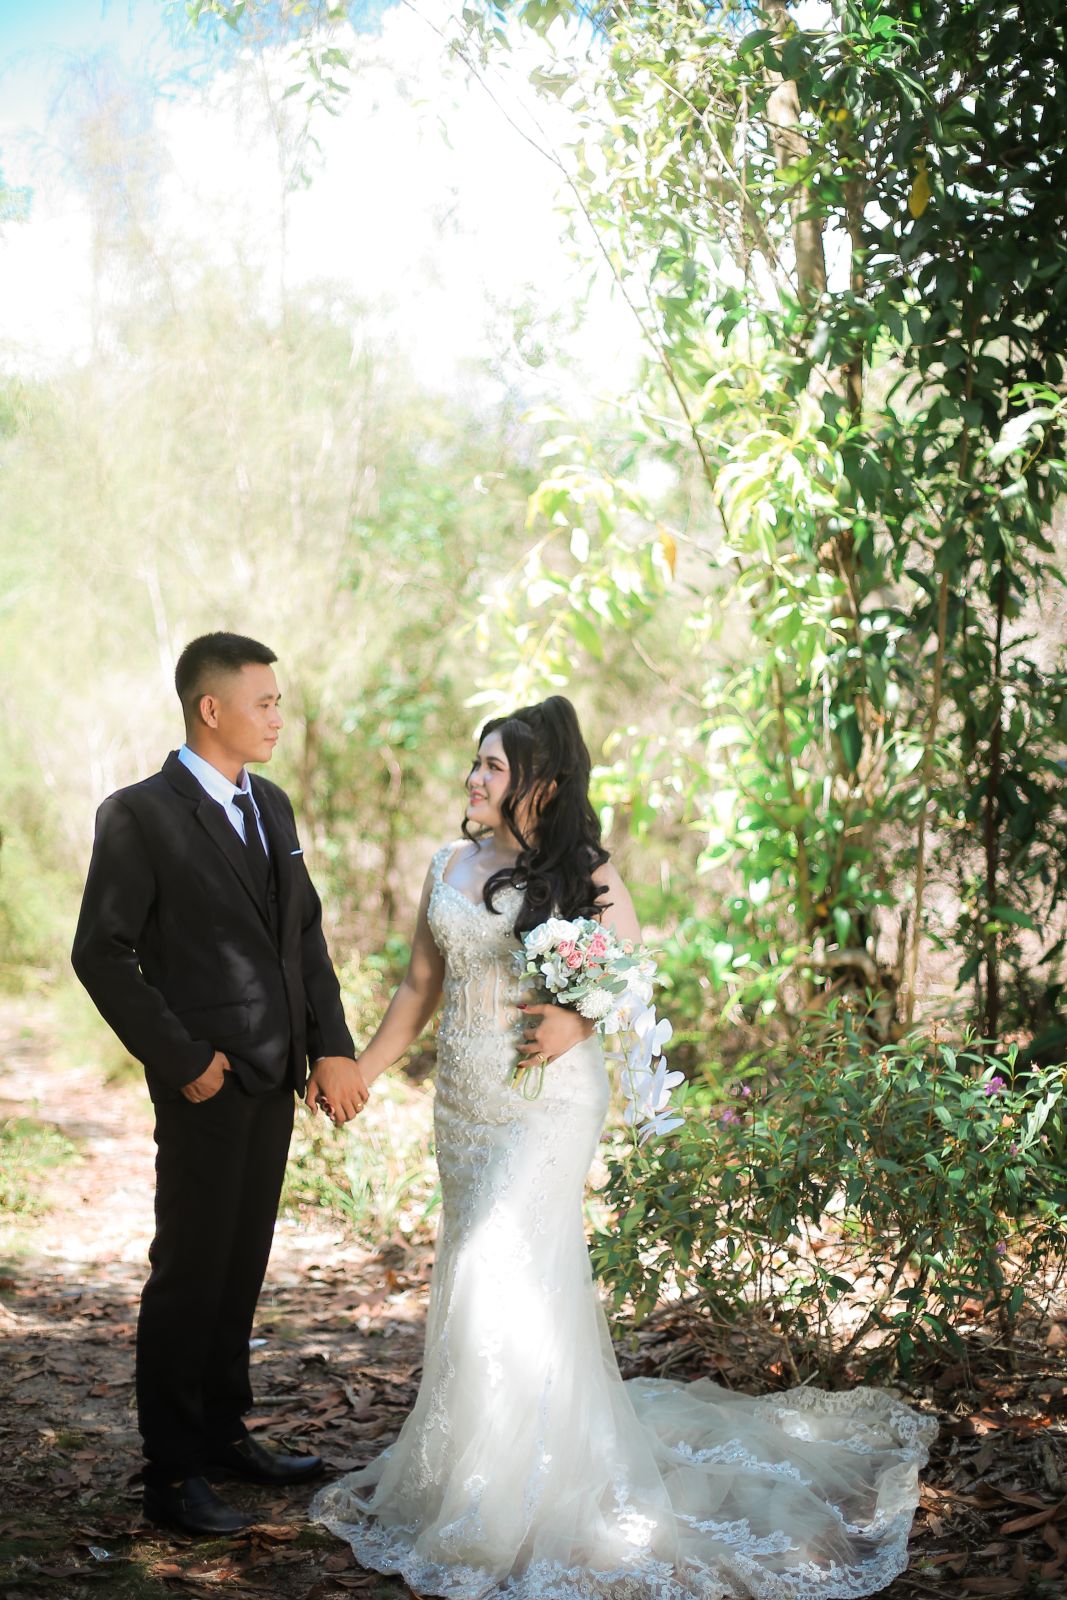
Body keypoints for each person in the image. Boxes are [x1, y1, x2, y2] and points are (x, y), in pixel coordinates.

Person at [311, 694, 937, 1600]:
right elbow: (418, 986)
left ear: (540, 784)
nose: (474, 778)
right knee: (479, 1269)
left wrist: (576, 1019)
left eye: (493, 766)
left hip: (548, 1103)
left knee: (496, 1269)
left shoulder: (585, 871)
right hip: (464, 1105)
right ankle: (473, 1469)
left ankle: (509, 1501)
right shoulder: (448, 864)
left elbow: (631, 970)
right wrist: (361, 1073)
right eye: (476, 762)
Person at [71, 632, 370, 1537]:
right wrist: (183, 1060)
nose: (278, 716)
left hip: (276, 1080)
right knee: (190, 1272)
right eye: (264, 702)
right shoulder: (139, 815)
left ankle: (222, 1433)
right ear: (212, 709)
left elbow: (303, 939)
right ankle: (170, 1473)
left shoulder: (271, 806)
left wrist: (332, 1048)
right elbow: (101, 953)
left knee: (240, 1266)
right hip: (205, 1083)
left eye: (278, 702)